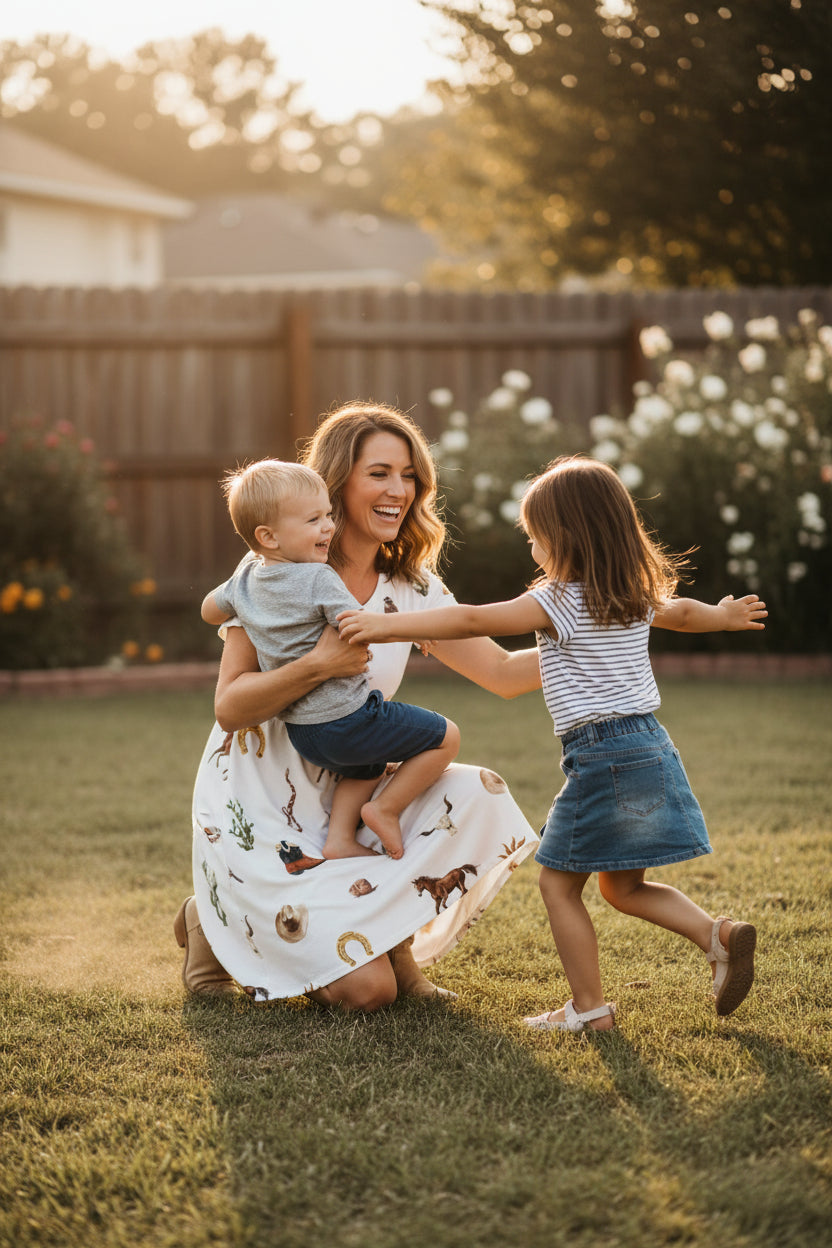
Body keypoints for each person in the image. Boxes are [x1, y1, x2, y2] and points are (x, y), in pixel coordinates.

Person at [338, 454, 767, 1032]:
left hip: (600, 756)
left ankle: (589, 1010)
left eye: (535, 536)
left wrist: (387, 625)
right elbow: (685, 615)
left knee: (557, 885)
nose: (532, 547)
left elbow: (471, 621)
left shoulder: (556, 599)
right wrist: (722, 615)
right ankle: (716, 935)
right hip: (652, 747)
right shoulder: (630, 592)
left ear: (563, 536)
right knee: (624, 886)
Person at [175, 402, 543, 1011]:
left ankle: (392, 945)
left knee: (474, 790)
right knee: (367, 994)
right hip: (263, 804)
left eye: (409, 475)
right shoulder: (273, 572)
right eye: (379, 473)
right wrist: (319, 664)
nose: (399, 490)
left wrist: (598, 642)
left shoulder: (413, 588)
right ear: (336, 483)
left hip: (352, 786)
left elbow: (501, 673)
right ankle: (212, 915)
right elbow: (231, 708)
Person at [201, 458, 460, 860]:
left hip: (305, 733)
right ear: (268, 536)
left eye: (327, 515)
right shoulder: (319, 578)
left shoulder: (244, 582)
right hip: (348, 718)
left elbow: (208, 610)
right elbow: (358, 624)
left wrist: (243, 603)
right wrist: (411, 627)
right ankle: (384, 809)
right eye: (314, 520)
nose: (328, 527)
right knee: (447, 737)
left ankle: (339, 839)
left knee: (368, 765)